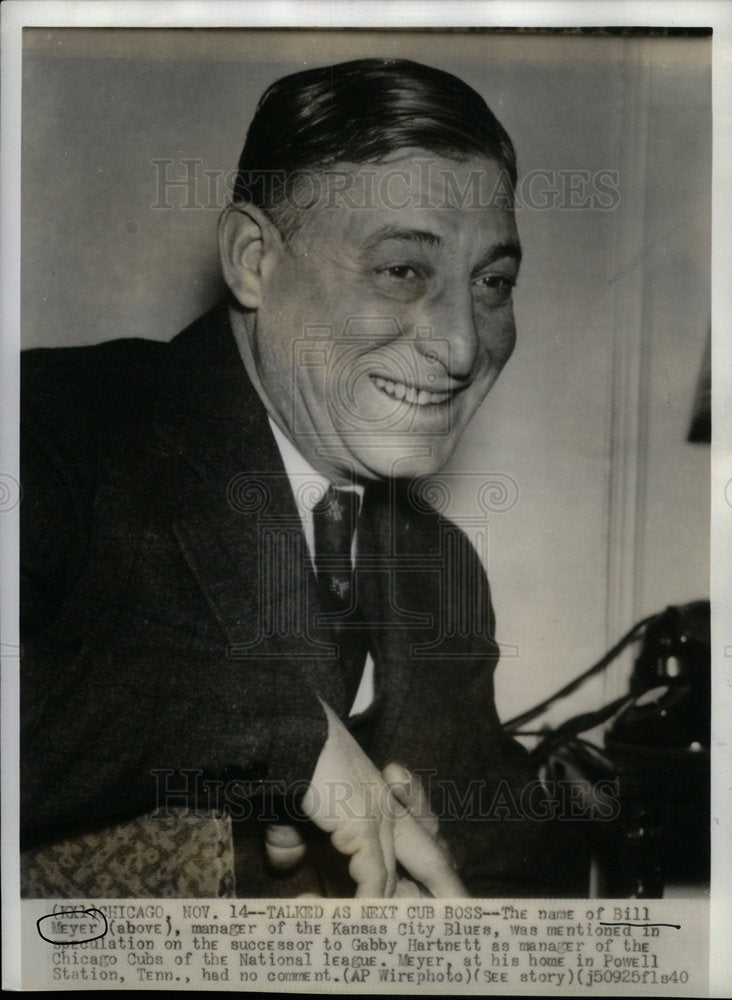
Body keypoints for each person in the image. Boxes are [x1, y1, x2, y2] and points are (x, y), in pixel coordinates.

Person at [20, 58, 586, 898]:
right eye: (404, 271)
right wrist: (285, 736)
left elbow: (504, 860)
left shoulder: (441, 570)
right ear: (253, 259)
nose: (464, 346)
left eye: (492, 283)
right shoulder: (47, 426)